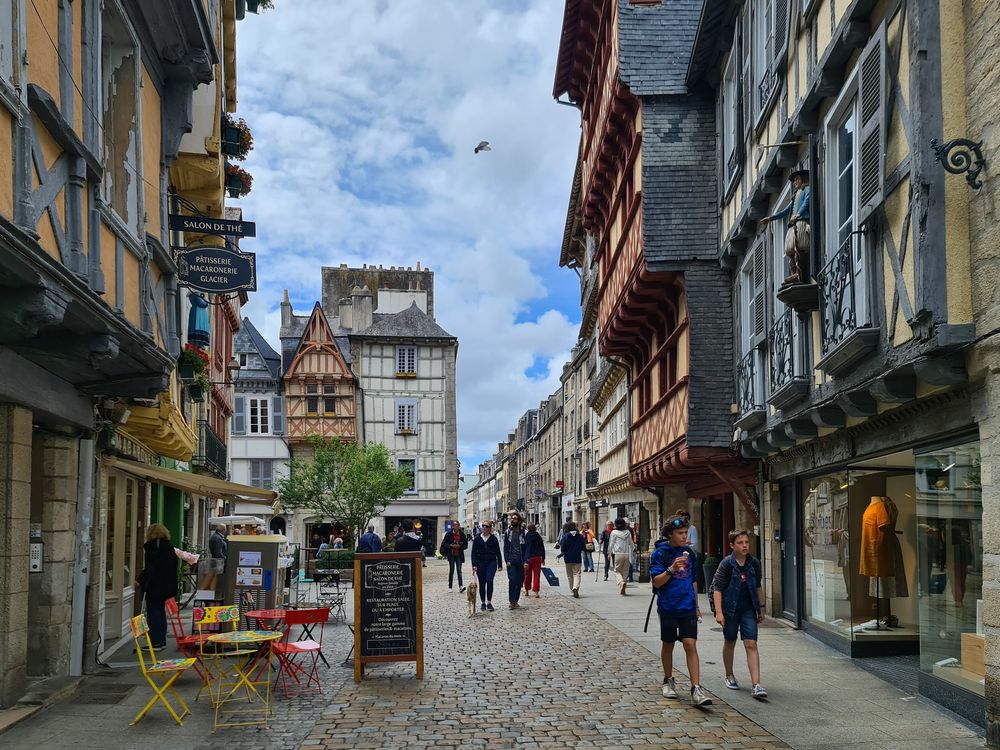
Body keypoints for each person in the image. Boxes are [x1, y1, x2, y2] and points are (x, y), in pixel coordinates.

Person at [650, 515, 711, 706]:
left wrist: (696, 605)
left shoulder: (690, 554)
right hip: (668, 606)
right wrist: (671, 569)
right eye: (680, 533)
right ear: (670, 534)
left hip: (686, 606)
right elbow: (656, 582)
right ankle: (668, 679)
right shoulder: (660, 554)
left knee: (690, 645)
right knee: (668, 644)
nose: (685, 537)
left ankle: (696, 687)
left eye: (686, 532)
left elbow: (693, 580)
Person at [712, 529, 767, 699]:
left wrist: (762, 608)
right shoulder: (726, 564)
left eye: (746, 542)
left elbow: (757, 586)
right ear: (732, 545)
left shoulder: (754, 563)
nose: (744, 546)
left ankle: (756, 684)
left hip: (748, 608)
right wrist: (719, 612)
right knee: (730, 640)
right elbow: (717, 589)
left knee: (751, 643)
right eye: (740, 543)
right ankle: (729, 675)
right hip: (730, 608)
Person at [761, 169, 811, 285]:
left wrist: (799, 214)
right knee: (790, 251)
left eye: (796, 180)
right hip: (793, 225)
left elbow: (807, 201)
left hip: (801, 222)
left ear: (801, 179)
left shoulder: (806, 190)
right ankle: (794, 273)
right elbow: (785, 211)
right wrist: (771, 218)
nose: (794, 183)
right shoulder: (795, 196)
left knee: (800, 247)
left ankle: (799, 274)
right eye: (794, 181)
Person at [137, 524, 178, 650]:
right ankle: (161, 641)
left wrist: (140, 580)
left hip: (155, 585)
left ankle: (155, 642)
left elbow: (150, 567)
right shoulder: (168, 546)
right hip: (167, 585)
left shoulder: (152, 546)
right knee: (160, 612)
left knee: (153, 612)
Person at [471, 521, 503, 611]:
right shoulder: (477, 538)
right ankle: (483, 603)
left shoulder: (493, 539)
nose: (484, 527)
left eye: (486, 526)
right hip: (480, 562)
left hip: (491, 562)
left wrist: (500, 564)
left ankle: (489, 602)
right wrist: (474, 565)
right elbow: (473, 553)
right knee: (482, 583)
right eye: (483, 526)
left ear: (490, 528)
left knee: (489, 580)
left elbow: (498, 552)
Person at [503, 512, 527, 609]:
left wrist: (526, 561)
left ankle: (515, 600)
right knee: (512, 580)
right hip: (511, 561)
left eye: (515, 519)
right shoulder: (508, 532)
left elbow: (527, 548)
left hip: (521, 561)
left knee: (519, 581)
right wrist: (507, 560)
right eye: (512, 518)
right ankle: (511, 601)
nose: (512, 520)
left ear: (519, 521)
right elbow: (505, 547)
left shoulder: (524, 533)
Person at [558, 521, 586, 598]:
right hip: (577, 557)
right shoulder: (580, 536)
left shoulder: (565, 536)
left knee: (570, 575)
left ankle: (572, 590)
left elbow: (563, 547)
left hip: (568, 558)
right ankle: (575, 587)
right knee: (577, 574)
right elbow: (583, 547)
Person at [609, 518, 636, 595]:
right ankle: (623, 587)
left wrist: (609, 553)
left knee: (617, 570)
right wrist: (633, 550)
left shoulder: (614, 532)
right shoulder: (627, 532)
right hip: (626, 554)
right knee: (625, 571)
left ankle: (621, 582)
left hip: (618, 554)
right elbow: (631, 543)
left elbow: (611, 544)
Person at [439, 521, 468, 592]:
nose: (456, 526)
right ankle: (450, 587)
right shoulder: (448, 534)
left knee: (459, 571)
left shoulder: (462, 535)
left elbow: (465, 545)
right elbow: (444, 544)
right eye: (455, 525)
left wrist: (459, 546)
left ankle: (461, 586)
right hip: (451, 555)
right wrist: (451, 546)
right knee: (451, 571)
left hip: (459, 555)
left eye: (457, 525)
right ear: (452, 526)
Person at [523, 523, 545, 597]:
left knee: (527, 575)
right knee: (537, 575)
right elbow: (542, 547)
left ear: (528, 529)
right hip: (537, 558)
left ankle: (526, 590)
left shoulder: (527, 536)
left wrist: (524, 559)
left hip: (528, 558)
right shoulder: (538, 536)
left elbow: (525, 548)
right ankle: (536, 591)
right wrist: (543, 558)